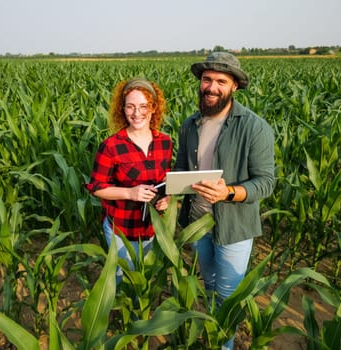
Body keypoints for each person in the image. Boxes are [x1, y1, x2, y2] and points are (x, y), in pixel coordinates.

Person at [174, 52, 275, 349]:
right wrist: (169, 193)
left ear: (234, 87)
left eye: (221, 81)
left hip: (234, 226)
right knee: (209, 288)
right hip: (199, 223)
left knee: (228, 297)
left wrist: (228, 192)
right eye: (207, 79)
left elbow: (266, 182)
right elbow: (181, 169)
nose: (212, 86)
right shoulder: (190, 124)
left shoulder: (254, 127)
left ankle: (224, 345)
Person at [85, 78, 172, 284]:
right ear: (122, 109)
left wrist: (165, 199)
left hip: (152, 227)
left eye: (143, 106)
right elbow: (96, 187)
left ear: (153, 108)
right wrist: (130, 193)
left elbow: (164, 180)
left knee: (143, 281)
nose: (137, 113)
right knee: (122, 282)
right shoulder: (111, 146)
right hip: (122, 230)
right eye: (130, 106)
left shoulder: (165, 142)